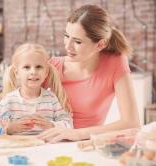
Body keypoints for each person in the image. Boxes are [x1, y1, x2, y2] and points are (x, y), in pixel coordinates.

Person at [38, 4, 140, 143]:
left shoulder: (115, 62)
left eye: (78, 41)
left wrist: (76, 134)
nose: (67, 46)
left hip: (86, 144)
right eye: (66, 36)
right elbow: (16, 99)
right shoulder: (53, 66)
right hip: (50, 142)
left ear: (100, 44)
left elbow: (132, 123)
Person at [0, 43, 73, 135]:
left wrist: (51, 125)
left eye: (38, 67)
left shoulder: (51, 99)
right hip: (16, 148)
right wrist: (10, 128)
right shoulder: (9, 101)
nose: (33, 72)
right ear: (17, 72)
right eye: (27, 67)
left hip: (47, 148)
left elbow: (68, 125)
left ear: (46, 72)